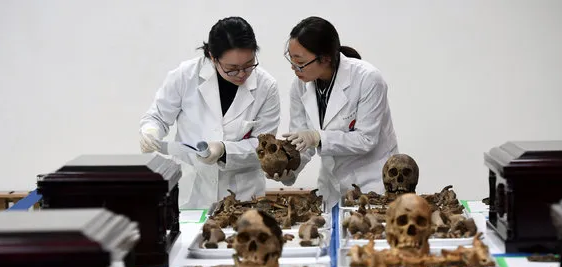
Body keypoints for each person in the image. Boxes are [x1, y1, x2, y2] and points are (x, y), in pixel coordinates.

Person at [140, 17, 280, 209]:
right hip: (192, 191)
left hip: (243, 194)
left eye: (249, 65)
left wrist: (224, 150)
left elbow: (264, 146)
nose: (241, 74)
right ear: (213, 57)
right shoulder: (185, 76)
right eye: (232, 68)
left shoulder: (266, 86)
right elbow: (157, 117)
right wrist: (150, 132)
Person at [272, 16, 398, 209]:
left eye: (300, 62)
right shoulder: (299, 86)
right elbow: (301, 143)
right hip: (331, 187)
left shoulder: (368, 80)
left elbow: (366, 140)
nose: (294, 68)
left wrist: (318, 137)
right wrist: (289, 168)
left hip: (372, 185)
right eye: (291, 59)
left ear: (325, 58)